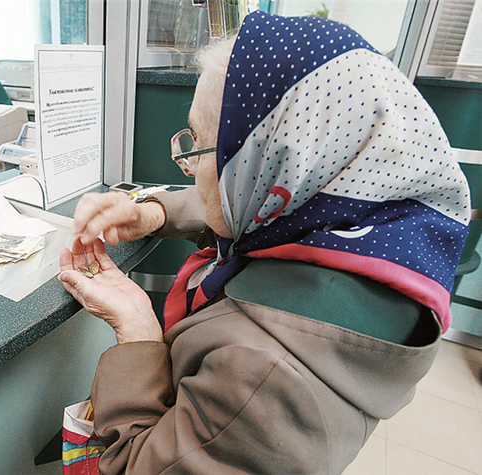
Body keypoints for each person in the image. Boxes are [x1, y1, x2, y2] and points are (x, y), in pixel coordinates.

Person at [58, 11, 471, 474]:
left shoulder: (262, 372)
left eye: (200, 148)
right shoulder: (367, 230)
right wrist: (153, 211)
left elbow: (137, 467)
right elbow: (243, 213)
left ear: (274, 167)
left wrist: (138, 333)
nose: (188, 169)